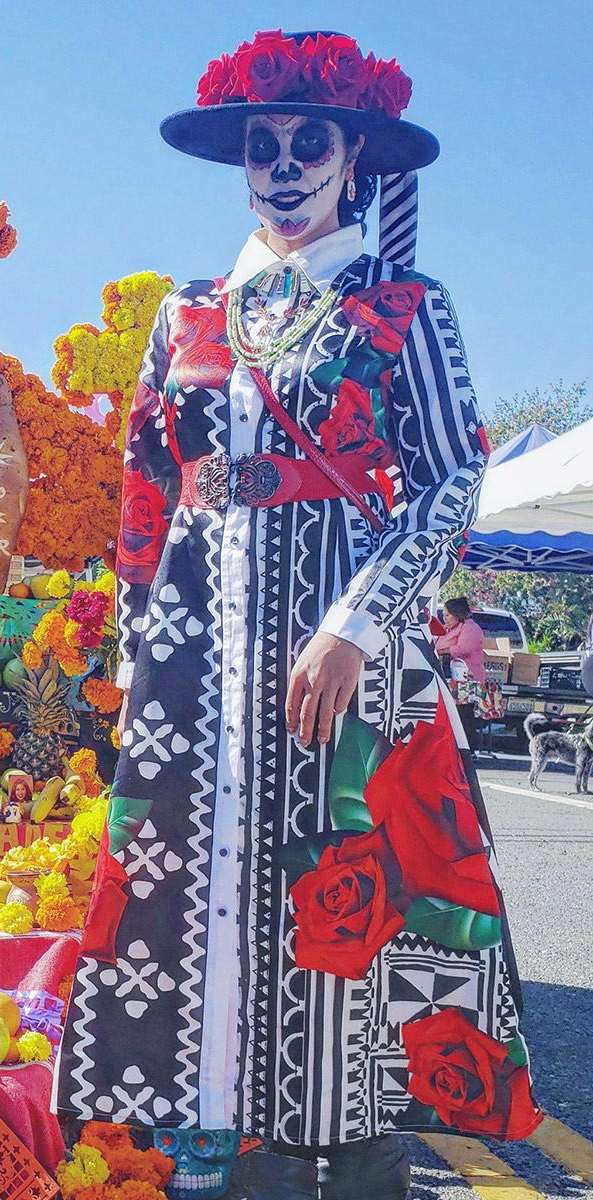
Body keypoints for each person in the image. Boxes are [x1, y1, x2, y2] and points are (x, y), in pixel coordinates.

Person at [56, 30, 541, 1200]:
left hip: (344, 648)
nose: (281, 166)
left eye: (306, 142)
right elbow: (145, 485)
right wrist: (135, 647)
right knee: (200, 883)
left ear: (351, 157)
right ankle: (220, 1137)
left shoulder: (404, 304)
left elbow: (450, 478)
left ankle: (354, 1146)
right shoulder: (185, 313)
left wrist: (356, 624)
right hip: (196, 649)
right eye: (261, 145)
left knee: (340, 876)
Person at [433, 596, 486, 745]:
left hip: (467, 681)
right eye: (444, 615)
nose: (445, 618)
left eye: (448, 615)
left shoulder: (470, 628)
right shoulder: (447, 629)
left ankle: (467, 748)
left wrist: (441, 651)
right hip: (448, 679)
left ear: (457, 614)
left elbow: (462, 649)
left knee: (463, 716)